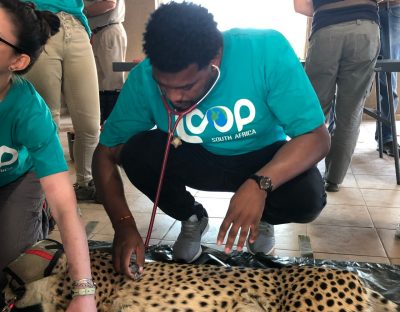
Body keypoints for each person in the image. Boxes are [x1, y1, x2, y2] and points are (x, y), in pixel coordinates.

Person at [92, 1, 330, 277]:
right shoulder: (144, 76)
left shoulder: (266, 50)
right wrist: (123, 225)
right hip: (197, 157)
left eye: (185, 86)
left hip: (262, 157)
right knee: (135, 152)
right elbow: (105, 153)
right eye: (164, 86)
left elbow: (317, 137)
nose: (173, 98)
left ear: (215, 60)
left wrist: (260, 185)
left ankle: (262, 216)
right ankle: (192, 217)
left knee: (308, 196)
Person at [0, 0, 97, 312]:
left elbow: (67, 207)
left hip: (17, 179)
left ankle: (31, 218)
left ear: (18, 62)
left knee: (15, 266)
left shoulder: (30, 111)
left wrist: (85, 293)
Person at [294, 0, 380, 192]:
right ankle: (333, 179)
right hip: (365, 29)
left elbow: (300, 5)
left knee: (314, 110)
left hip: (326, 28)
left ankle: (301, 174)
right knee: (350, 111)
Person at [22, 0, 101, 201]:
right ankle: (47, 188)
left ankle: (86, 182)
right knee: (47, 121)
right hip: (38, 21)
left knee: (90, 123)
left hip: (76, 26)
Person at [84, 0, 127, 125]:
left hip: (109, 31)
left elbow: (109, 3)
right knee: (100, 82)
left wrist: (81, 11)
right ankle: (104, 124)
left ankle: (114, 124)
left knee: (113, 82)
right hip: (99, 32)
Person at [376, 0, 400, 156]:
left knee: (388, 78)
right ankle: (335, 132)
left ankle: (387, 136)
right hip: (359, 9)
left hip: (391, 8)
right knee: (346, 73)